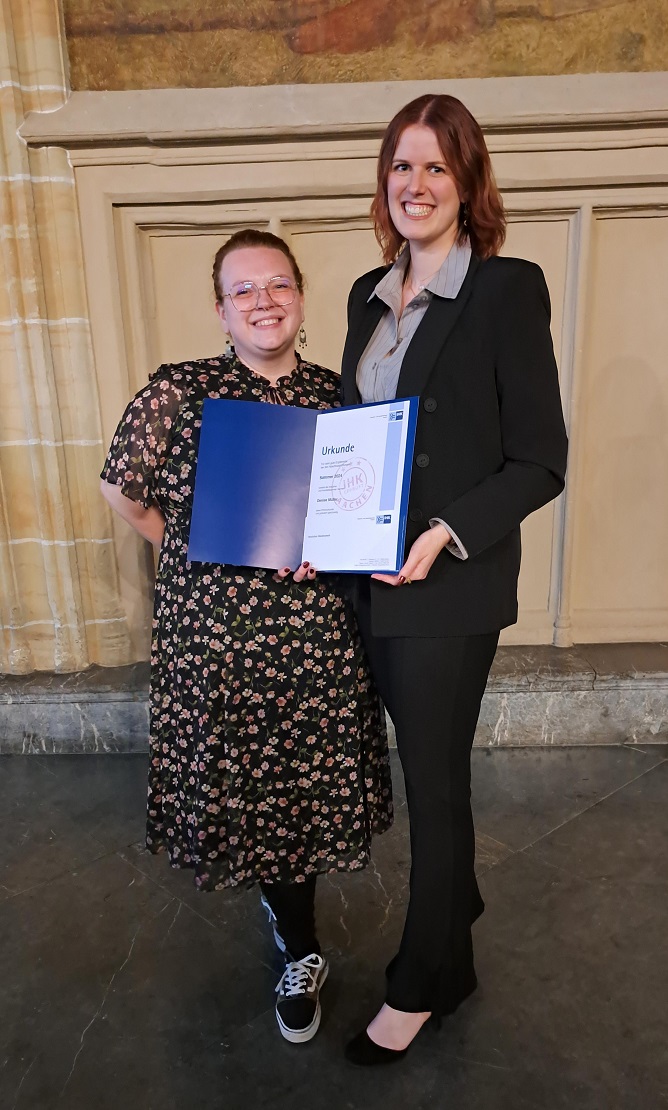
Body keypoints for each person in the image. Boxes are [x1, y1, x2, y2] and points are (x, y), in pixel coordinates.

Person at [100, 228, 392, 1046]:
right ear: (221, 310)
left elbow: (364, 506)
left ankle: (299, 943)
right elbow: (120, 488)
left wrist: (332, 550)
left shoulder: (340, 396)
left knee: (297, 786)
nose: (263, 301)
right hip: (217, 631)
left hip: (314, 631)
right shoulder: (182, 390)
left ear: (300, 299)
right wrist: (192, 544)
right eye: (244, 290)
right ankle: (290, 922)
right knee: (245, 783)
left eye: (278, 285)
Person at [340, 94, 568, 1065]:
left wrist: (440, 534)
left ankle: (422, 981)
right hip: (360, 580)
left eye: (436, 168)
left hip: (445, 585)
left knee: (432, 787)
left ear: (467, 183)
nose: (415, 186)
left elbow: (538, 459)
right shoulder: (362, 292)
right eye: (401, 166)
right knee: (419, 778)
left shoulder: (506, 289)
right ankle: (455, 912)